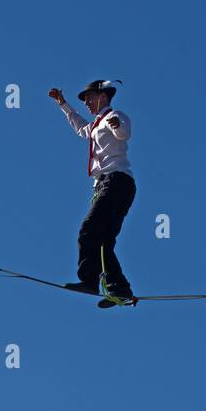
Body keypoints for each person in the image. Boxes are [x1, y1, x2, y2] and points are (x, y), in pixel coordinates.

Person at [49, 78, 137, 307]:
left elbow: (124, 132)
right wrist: (63, 104)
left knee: (88, 231)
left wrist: (116, 124)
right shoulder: (96, 124)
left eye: (89, 97)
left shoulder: (113, 116)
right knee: (103, 243)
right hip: (111, 185)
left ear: (103, 96)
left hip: (116, 182)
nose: (86, 102)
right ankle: (121, 290)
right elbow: (80, 127)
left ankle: (89, 280)